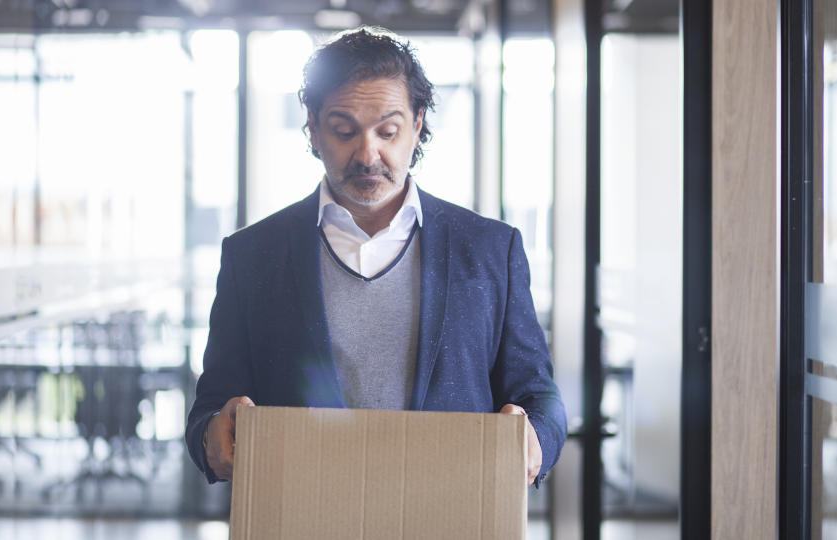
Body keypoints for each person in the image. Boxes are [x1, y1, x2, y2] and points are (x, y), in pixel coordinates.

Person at [185, 28, 566, 488]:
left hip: (453, 512)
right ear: (313, 126)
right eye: (344, 131)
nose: (368, 154)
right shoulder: (252, 255)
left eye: (388, 131)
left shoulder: (490, 249)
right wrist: (213, 435)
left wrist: (536, 439)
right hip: (301, 516)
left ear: (418, 124)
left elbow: (539, 396)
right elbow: (211, 406)